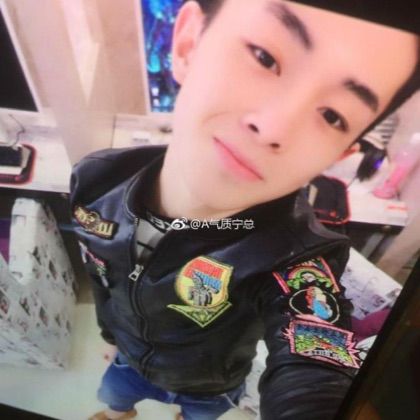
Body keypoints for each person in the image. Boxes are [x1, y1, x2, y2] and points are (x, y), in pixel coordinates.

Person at [69, 1, 420, 419]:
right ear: (188, 43)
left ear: (339, 154)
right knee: (112, 403)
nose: (273, 128)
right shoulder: (96, 183)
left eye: (332, 115)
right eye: (264, 57)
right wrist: (111, 337)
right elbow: (101, 279)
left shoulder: (299, 257)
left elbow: (314, 353)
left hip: (211, 389)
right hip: (128, 363)